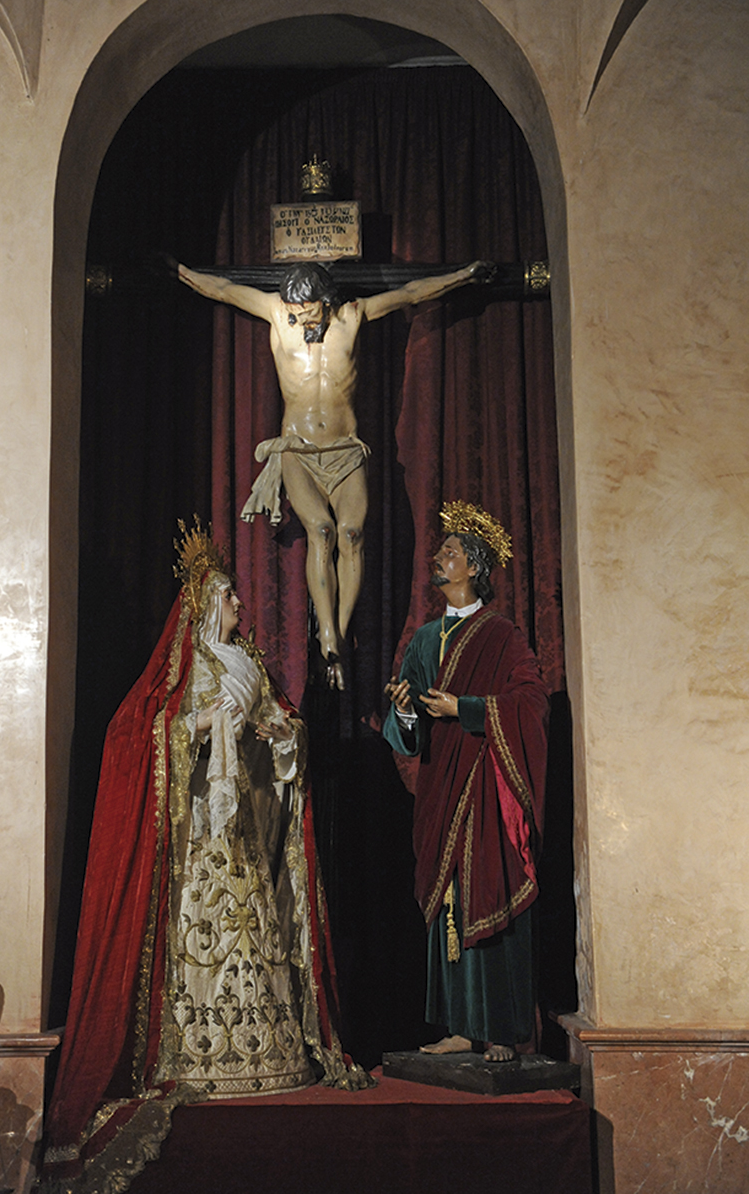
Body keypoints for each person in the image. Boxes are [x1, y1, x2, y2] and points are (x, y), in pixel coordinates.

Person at [43, 518, 370, 1190]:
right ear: (204, 604)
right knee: (199, 935)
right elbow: (138, 734)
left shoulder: (248, 664)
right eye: (229, 595)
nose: (241, 604)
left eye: (238, 595)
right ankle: (190, 1056)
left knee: (254, 928)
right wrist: (201, 723)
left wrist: (280, 733)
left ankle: (268, 1055)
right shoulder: (185, 666)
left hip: (244, 827)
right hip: (196, 833)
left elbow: (284, 728)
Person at [175, 258, 496, 687]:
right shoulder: (278, 313)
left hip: (346, 448)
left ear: (326, 302)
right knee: (322, 531)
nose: (300, 318)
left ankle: (338, 635)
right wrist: (180, 271)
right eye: (295, 311)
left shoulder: (352, 316)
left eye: (308, 310)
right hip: (299, 449)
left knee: (352, 533)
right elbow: (220, 290)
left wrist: (463, 275)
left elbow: (411, 293)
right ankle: (326, 632)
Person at [383, 501, 548, 1063]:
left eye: (450, 552)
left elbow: (532, 700)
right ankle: (459, 1026)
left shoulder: (502, 635)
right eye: (440, 552)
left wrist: (467, 708)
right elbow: (405, 731)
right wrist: (405, 709)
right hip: (441, 787)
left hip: (486, 786)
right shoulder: (424, 640)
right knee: (448, 901)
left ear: (473, 567)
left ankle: (500, 1030)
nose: (438, 558)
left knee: (490, 893)